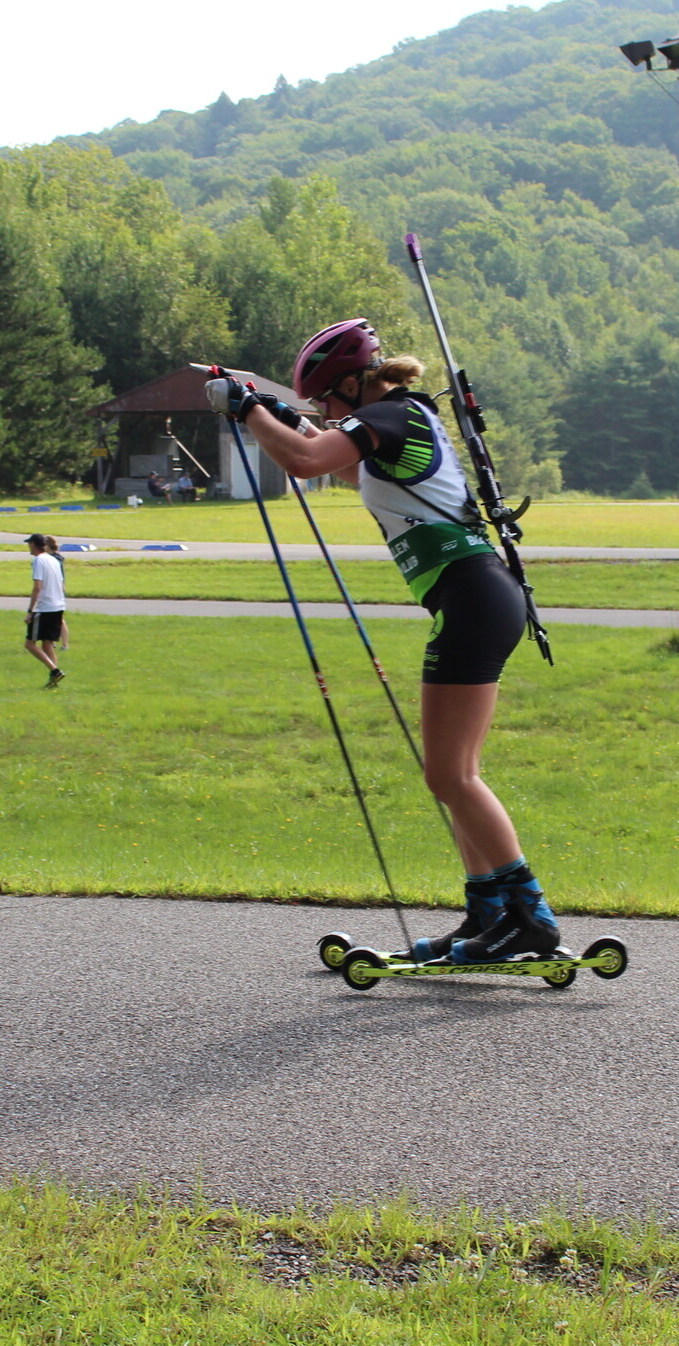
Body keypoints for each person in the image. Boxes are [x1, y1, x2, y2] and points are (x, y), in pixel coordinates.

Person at [213, 318, 556, 967]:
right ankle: (488, 910)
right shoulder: (392, 426)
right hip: (473, 598)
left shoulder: (396, 415)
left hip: (472, 598)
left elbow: (307, 460)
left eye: (325, 402)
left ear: (351, 384)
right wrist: (283, 414)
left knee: (450, 773)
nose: (323, 415)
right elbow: (333, 460)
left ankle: (530, 915)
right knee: (453, 776)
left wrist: (251, 407)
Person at [23, 533, 67, 688]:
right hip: (58, 605)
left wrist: (31, 611)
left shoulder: (39, 560)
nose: (28, 546)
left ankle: (54, 670)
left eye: (29, 544)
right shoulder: (53, 559)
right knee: (47, 644)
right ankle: (53, 680)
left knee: (29, 644)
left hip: (44, 607)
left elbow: (37, 587)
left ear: (34, 544)